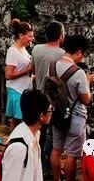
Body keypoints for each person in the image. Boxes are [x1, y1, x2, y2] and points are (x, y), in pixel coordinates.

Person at [50, 34, 94, 181]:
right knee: (72, 154)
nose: (82, 57)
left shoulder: (52, 66)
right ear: (78, 51)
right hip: (75, 116)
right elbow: (86, 100)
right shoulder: (79, 72)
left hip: (57, 113)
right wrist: (88, 81)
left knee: (56, 149)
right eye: (82, 54)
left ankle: (56, 179)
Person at [32, 20, 65, 176]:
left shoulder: (36, 49)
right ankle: (47, 168)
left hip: (38, 94)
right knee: (52, 136)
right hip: (53, 100)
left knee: (39, 133)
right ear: (60, 36)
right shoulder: (62, 54)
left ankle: (38, 164)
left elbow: (33, 69)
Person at [2, 89, 52, 181]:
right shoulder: (18, 148)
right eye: (50, 110)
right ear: (41, 116)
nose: (51, 113)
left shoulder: (34, 135)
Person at [4, 18, 35, 130]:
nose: (32, 39)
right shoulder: (12, 51)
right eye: (29, 36)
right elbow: (8, 75)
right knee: (21, 120)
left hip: (24, 89)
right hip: (16, 90)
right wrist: (27, 71)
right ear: (21, 35)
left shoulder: (23, 49)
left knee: (17, 120)